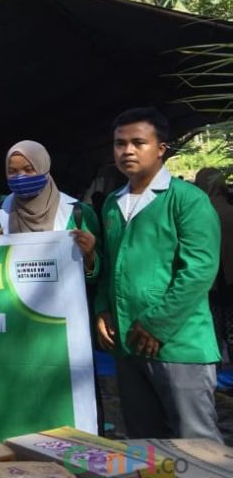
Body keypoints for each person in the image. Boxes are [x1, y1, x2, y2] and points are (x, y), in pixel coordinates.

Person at [96, 108, 222, 441]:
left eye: (139, 142)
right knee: (144, 442)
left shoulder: (187, 200)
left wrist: (156, 323)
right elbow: (110, 265)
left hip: (179, 342)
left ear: (161, 147)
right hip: (128, 342)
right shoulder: (112, 203)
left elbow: (199, 270)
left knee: (196, 442)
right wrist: (103, 310)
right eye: (120, 143)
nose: (128, 151)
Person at [0, 140, 99, 275]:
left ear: (43, 167)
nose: (20, 177)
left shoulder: (79, 212)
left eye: (28, 169)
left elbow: (97, 275)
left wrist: (90, 256)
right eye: (12, 171)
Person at [196, 168, 233, 356]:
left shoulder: (197, 214)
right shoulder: (229, 210)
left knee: (213, 329)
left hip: (208, 283)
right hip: (230, 280)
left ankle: (215, 369)